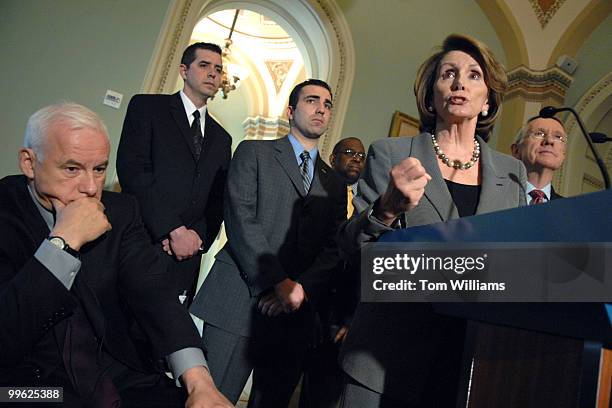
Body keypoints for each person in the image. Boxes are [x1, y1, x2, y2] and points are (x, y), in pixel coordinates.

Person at [337, 34, 527, 408]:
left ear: (488, 99)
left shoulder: (513, 173)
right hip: (386, 355)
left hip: (470, 363)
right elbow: (351, 251)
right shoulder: (391, 153)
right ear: (431, 93)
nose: (459, 83)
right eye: (448, 74)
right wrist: (387, 207)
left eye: (474, 76)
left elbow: (512, 268)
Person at [0, 102, 232, 407]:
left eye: (99, 169)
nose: (90, 187)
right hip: (27, 387)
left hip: (115, 371)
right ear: (29, 163)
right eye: (72, 168)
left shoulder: (121, 212)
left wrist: (199, 380)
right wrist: (64, 241)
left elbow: (155, 294)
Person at [190, 79, 346, 407]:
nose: (321, 108)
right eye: (312, 101)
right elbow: (241, 219)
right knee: (212, 399)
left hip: (295, 314)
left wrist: (299, 290)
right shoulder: (254, 152)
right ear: (291, 111)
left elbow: (334, 246)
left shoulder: (334, 182)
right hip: (238, 300)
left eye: (327, 104)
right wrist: (278, 282)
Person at [117, 42, 231, 305]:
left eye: (218, 69)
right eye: (204, 66)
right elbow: (134, 171)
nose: (213, 74)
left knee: (168, 339)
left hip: (187, 256)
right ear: (183, 70)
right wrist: (173, 230)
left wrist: (195, 238)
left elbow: (218, 200)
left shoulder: (223, 138)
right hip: (142, 240)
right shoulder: (147, 108)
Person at [299, 137, 366, 408]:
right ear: (334, 156)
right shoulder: (313, 188)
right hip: (306, 307)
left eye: (361, 156)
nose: (355, 159)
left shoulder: (368, 203)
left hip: (340, 320)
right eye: (349, 152)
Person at [511, 115, 566, 203]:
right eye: (539, 134)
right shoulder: (493, 194)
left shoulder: (570, 210)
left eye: (558, 137)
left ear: (563, 155)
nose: (549, 141)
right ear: (516, 151)